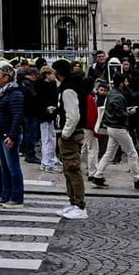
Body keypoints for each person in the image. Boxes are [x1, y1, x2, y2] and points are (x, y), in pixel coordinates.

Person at [90, 73, 139, 192]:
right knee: (132, 153)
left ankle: (98, 176)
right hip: (118, 128)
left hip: (112, 127)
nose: (127, 83)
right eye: (126, 81)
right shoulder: (118, 96)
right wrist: (129, 112)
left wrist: (125, 111)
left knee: (109, 154)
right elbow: (120, 113)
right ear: (121, 83)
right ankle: (137, 180)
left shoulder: (112, 93)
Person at [52, 59, 87, 220]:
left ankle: (79, 205)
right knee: (68, 170)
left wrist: (65, 134)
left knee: (72, 169)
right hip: (71, 133)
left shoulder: (68, 89)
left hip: (71, 135)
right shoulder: (70, 86)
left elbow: (73, 115)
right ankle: (73, 202)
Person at [0, 62, 25, 209]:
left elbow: (17, 116)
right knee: (4, 167)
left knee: (13, 167)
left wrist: (12, 135)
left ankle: (16, 198)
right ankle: (6, 195)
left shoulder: (15, 94)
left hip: (9, 134)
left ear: (6, 77)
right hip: (1, 133)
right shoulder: (3, 93)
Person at [34, 65, 61, 173]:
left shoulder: (51, 85)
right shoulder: (41, 86)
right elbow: (39, 101)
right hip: (44, 115)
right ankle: (46, 162)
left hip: (51, 114)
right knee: (46, 139)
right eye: (52, 74)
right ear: (47, 75)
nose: (54, 76)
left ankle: (52, 159)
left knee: (52, 137)